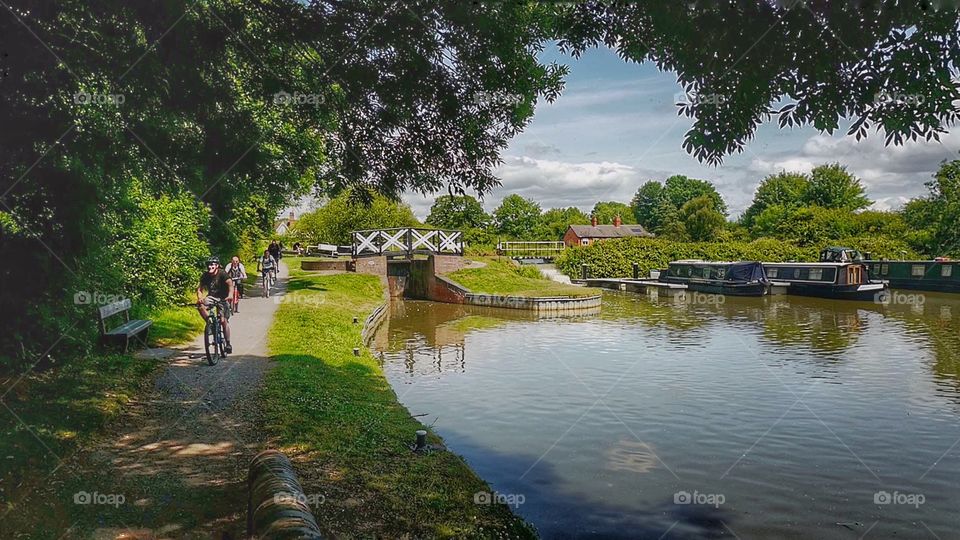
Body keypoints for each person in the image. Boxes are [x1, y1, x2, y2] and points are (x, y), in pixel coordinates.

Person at [196, 256, 233, 354]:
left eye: (212, 264)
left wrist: (230, 295)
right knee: (200, 306)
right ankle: (210, 323)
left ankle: (228, 343)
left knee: (223, 320)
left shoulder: (222, 273)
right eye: (208, 264)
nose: (210, 266)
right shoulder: (205, 275)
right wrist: (200, 298)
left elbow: (230, 284)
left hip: (223, 298)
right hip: (211, 297)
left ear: (217, 266)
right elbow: (200, 288)